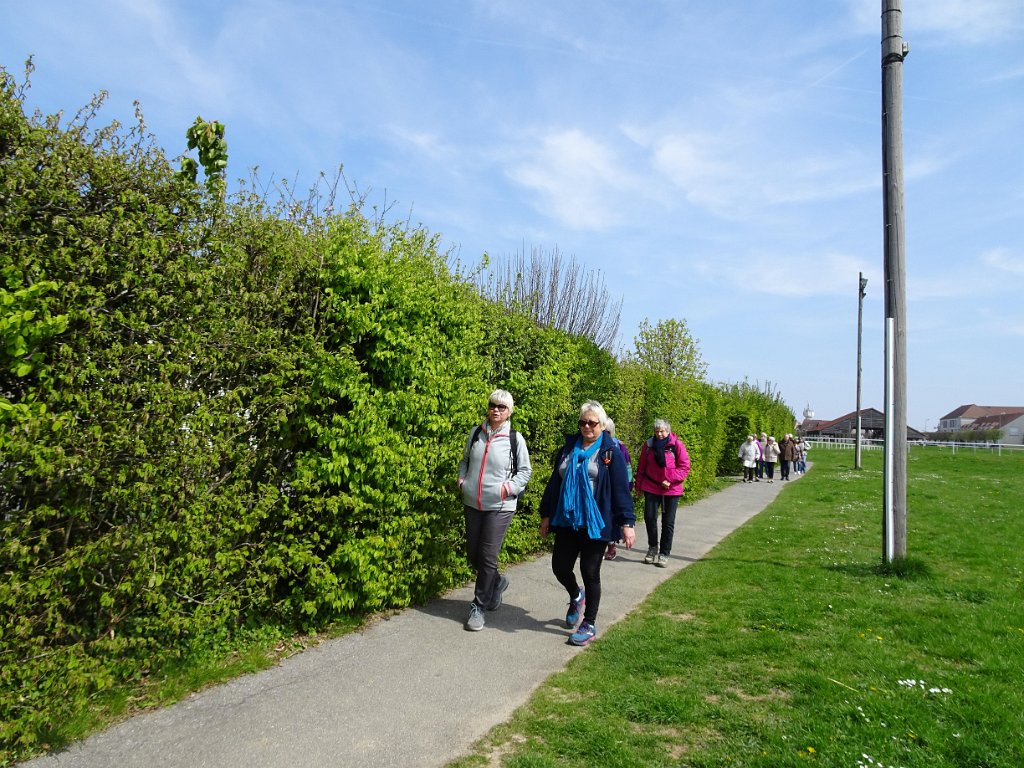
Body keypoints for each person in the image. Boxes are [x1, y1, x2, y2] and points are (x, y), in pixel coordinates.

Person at [539, 401, 636, 646]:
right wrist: (546, 514)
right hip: (568, 519)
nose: (586, 426)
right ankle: (576, 595)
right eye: (582, 422)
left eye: (592, 423)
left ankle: (589, 623)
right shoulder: (568, 448)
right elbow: (554, 483)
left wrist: (627, 522)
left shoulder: (610, 452)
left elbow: (621, 490)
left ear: (602, 425)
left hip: (596, 522)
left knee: (590, 572)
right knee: (560, 567)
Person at [457, 389, 533, 632]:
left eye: (502, 407)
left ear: (509, 411)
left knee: (488, 556)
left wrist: (507, 489)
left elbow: (525, 471)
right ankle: (497, 582)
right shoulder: (476, 433)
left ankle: (478, 607)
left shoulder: (515, 439)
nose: (496, 410)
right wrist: (462, 480)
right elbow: (465, 461)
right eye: (493, 405)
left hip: (500, 506)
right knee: (473, 556)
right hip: (473, 502)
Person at [635, 418, 691, 567]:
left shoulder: (677, 445)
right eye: (657, 431)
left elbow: (684, 467)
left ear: (668, 431)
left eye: (662, 431)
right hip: (651, 486)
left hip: (671, 490)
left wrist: (670, 479)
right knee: (649, 518)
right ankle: (652, 547)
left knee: (668, 522)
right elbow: (641, 467)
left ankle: (664, 553)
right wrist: (638, 487)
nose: (659, 434)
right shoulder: (649, 445)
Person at [603, 418, 633, 561]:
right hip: (602, 488)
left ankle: (611, 545)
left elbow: (627, 468)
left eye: (607, 432)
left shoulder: (617, 447)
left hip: (614, 488)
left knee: (612, 518)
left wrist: (627, 487)